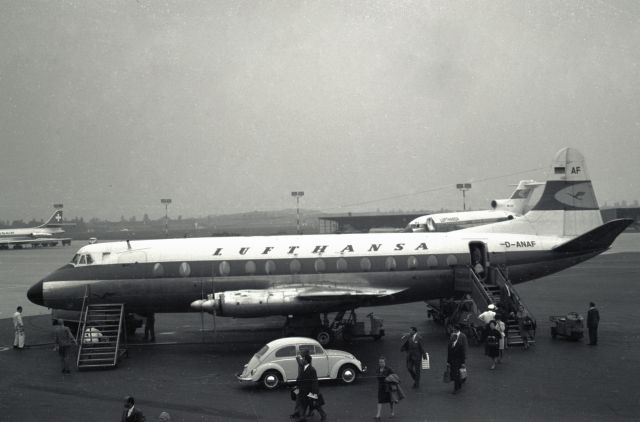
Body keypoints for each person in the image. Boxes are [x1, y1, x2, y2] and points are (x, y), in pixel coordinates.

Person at [292, 352, 325, 422]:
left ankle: (323, 414)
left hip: (309, 391)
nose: (302, 360)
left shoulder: (312, 370)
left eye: (303, 359)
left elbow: (314, 383)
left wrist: (313, 394)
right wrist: (296, 387)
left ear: (306, 361)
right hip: (303, 390)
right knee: (303, 403)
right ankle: (302, 417)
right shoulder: (303, 367)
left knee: (315, 404)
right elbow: (300, 378)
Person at [447, 325, 467, 394]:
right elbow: (449, 353)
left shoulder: (460, 342)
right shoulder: (450, 344)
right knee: (456, 374)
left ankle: (456, 388)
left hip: (458, 361)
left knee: (456, 374)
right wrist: (448, 362)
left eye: (452, 337)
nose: (451, 338)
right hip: (452, 361)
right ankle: (459, 384)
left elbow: (464, 350)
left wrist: (463, 361)